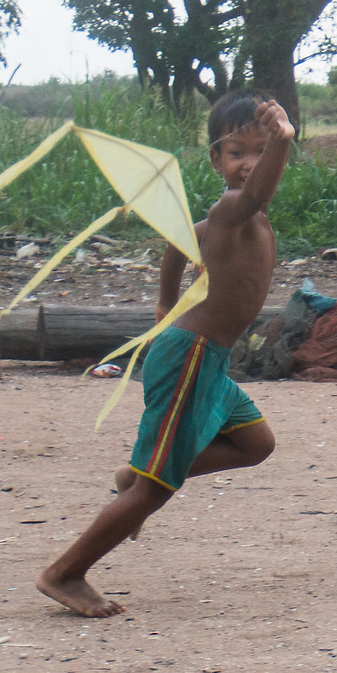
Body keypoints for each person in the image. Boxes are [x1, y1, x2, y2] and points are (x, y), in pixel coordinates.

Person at [36, 90, 292, 617]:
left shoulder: (229, 223)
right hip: (190, 358)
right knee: (159, 487)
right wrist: (284, 143)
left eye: (260, 151)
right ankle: (66, 572)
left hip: (210, 361)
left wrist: (164, 299)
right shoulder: (234, 209)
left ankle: (141, 472)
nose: (250, 164)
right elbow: (252, 199)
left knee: (255, 443)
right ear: (216, 160)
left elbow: (179, 240)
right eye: (237, 152)